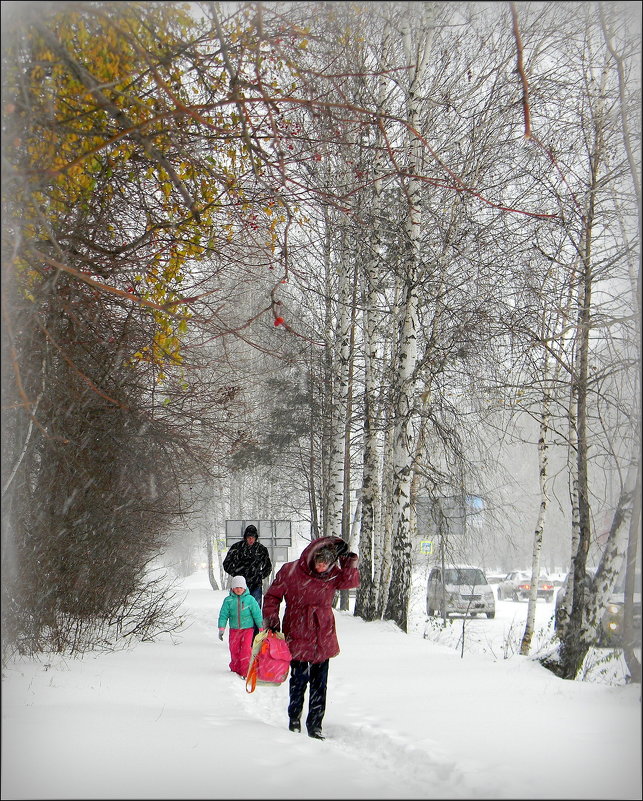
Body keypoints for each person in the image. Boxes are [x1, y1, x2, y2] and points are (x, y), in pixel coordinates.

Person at [262, 536, 359, 740]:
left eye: (326, 563)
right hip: (297, 632)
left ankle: (315, 725)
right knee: (298, 682)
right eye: (319, 562)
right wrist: (272, 620)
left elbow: (350, 582)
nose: (322, 567)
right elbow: (272, 596)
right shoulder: (291, 571)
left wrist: (348, 561)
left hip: (322, 635)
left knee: (319, 685)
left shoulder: (333, 574)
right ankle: (294, 720)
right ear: (313, 558)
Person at [217, 575, 264, 677]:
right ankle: (235, 669)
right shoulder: (228, 600)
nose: (238, 589)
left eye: (240, 587)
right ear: (232, 588)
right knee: (234, 649)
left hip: (248, 630)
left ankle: (245, 671)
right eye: (236, 587)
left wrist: (260, 627)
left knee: (246, 650)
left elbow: (257, 614)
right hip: (234, 630)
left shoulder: (250, 599)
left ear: (245, 588)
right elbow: (223, 615)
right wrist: (221, 628)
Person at [223, 524, 273, 612]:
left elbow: (268, 566)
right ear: (245, 537)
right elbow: (226, 564)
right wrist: (237, 574)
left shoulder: (261, 549)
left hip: (255, 585)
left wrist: (259, 575)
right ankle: (239, 626)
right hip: (239, 585)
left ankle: (255, 626)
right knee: (238, 611)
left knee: (255, 610)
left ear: (256, 537)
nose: (251, 539)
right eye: (249, 537)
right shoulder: (236, 548)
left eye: (253, 537)